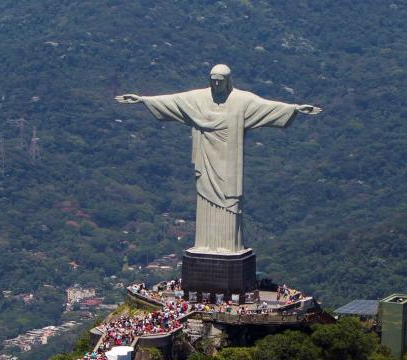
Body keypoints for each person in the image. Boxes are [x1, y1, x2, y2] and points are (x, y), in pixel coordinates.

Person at [116, 64, 321, 253]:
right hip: (206, 158)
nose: (216, 84)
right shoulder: (198, 98)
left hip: (229, 161)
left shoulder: (242, 100)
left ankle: (229, 245)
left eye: (220, 80)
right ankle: (205, 244)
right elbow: (173, 100)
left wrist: (295, 108)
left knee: (229, 200)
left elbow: (267, 107)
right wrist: (143, 100)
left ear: (228, 81)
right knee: (205, 197)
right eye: (213, 80)